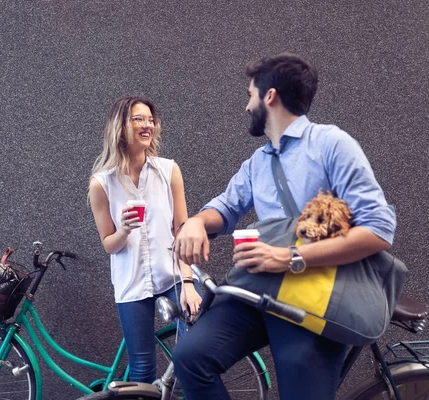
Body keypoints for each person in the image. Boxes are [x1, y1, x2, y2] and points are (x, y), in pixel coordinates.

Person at [171, 52, 396, 399]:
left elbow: (379, 229)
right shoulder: (258, 162)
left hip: (315, 295)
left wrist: (289, 257)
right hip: (259, 289)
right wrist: (197, 222)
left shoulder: (331, 144)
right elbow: (227, 207)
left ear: (269, 96)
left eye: (250, 95)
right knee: (190, 357)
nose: (247, 106)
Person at [89, 95, 202, 384]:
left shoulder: (168, 171)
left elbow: (182, 231)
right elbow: (108, 245)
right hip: (132, 283)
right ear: (120, 127)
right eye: (138, 119)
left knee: (193, 357)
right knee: (141, 369)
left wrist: (188, 282)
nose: (147, 125)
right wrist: (124, 230)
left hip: (174, 277)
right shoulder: (102, 184)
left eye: (150, 119)